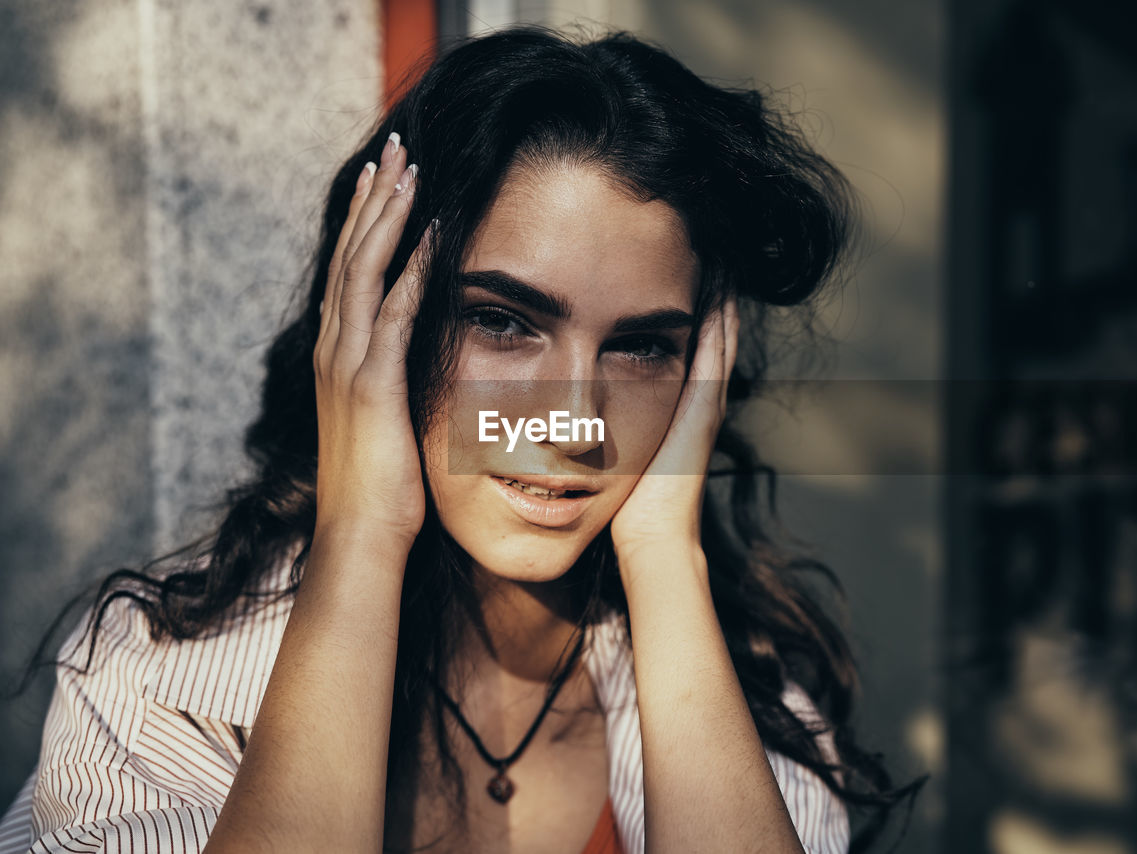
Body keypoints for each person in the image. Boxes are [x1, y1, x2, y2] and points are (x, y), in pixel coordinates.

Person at [0, 25, 921, 854]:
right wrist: (361, 530)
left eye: (642, 346)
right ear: (379, 317)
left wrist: (664, 556)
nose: (576, 421)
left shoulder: (746, 691)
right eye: (505, 323)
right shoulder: (158, 668)